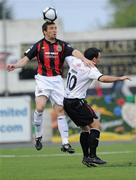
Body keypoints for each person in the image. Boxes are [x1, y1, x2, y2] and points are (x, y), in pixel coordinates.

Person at [6, 21, 94, 153]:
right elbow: (25, 59)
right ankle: (38, 136)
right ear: (45, 32)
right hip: (43, 80)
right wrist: (15, 65)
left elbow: (74, 51)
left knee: (60, 110)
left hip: (57, 81)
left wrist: (84, 59)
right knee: (40, 107)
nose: (54, 30)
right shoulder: (39, 45)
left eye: (55, 28)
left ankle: (65, 143)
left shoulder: (62, 45)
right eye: (51, 28)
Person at [63, 47, 131, 167]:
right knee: (96, 125)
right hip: (76, 101)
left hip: (67, 101)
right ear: (94, 58)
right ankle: (93, 156)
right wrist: (119, 78)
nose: (99, 59)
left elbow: (67, 52)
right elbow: (103, 78)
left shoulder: (74, 61)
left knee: (85, 129)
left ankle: (86, 158)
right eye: (99, 57)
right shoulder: (91, 68)